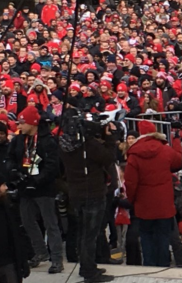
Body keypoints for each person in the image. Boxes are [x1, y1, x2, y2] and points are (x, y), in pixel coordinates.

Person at [59, 114, 117, 283]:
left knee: (83, 233)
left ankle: (87, 265)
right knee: (90, 235)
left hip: (76, 194)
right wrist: (109, 138)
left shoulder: (63, 146)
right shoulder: (88, 145)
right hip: (93, 193)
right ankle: (89, 271)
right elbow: (109, 158)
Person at [8, 106, 62, 273]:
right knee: (26, 220)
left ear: (32, 123)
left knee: (50, 223)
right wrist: (15, 172)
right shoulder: (18, 140)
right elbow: (10, 158)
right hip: (25, 187)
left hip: (44, 188)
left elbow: (54, 166)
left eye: (22, 123)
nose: (19, 126)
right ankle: (40, 252)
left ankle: (57, 259)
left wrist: (38, 180)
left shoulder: (47, 140)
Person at [124, 120, 182, 267]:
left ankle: (150, 265)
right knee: (163, 237)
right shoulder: (165, 149)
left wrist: (132, 200)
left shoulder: (134, 154)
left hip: (144, 204)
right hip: (164, 203)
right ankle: (163, 266)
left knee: (146, 237)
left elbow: (130, 183)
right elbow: (178, 163)